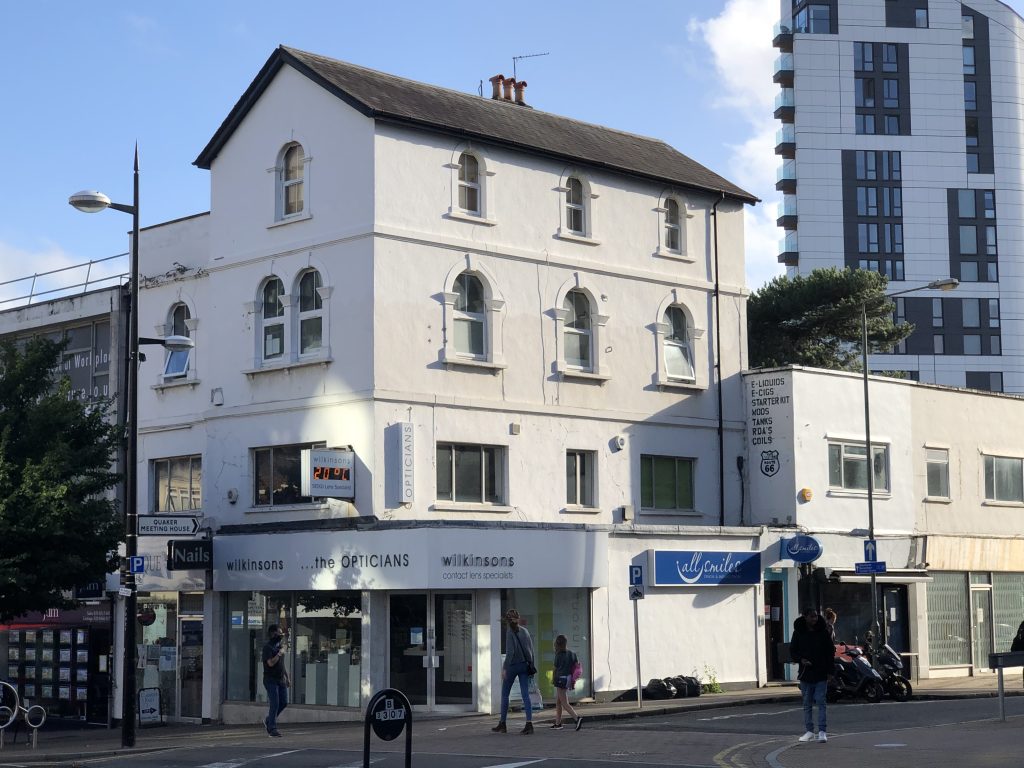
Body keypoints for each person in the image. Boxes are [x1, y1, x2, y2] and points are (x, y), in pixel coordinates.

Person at [790, 606, 834, 744]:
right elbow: (793, 650)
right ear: (805, 617)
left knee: (821, 702)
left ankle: (822, 731)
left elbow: (830, 651)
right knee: (807, 703)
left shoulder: (823, 632)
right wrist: (801, 659)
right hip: (806, 673)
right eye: (811, 616)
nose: (814, 619)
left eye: (816, 616)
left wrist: (830, 671)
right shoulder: (798, 633)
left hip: (821, 672)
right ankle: (809, 731)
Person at [492, 608, 535, 734]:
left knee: (505, 694)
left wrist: (505, 668)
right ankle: (529, 723)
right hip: (524, 666)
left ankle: (503, 723)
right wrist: (531, 665)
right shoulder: (525, 632)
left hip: (512, 666)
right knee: (525, 695)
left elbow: (510, 652)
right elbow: (531, 651)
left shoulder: (510, 632)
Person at [261, 624, 290, 737]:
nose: (281, 635)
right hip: (270, 679)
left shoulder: (279, 646)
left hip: (280, 679)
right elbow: (270, 663)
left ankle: (269, 720)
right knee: (275, 704)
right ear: (273, 633)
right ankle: (272, 728)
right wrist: (279, 654)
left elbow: (282, 665)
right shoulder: (268, 648)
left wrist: (288, 678)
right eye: (279, 632)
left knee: (283, 702)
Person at [550, 634, 582, 731]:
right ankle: (558, 723)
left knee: (564, 703)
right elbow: (577, 666)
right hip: (568, 679)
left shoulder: (558, 655)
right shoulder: (572, 654)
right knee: (558, 702)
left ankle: (577, 718)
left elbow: (555, 669)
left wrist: (552, 679)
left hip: (560, 679)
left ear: (557, 644)